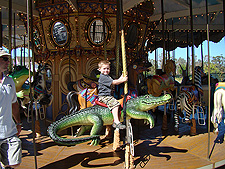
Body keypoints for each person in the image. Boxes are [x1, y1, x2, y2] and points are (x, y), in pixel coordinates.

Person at [0, 48, 22, 169]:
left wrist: (18, 122)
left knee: (15, 162)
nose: (8, 62)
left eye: (8, 59)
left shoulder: (9, 81)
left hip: (9, 130)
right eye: (4, 59)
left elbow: (14, 103)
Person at [98, 60, 128, 130]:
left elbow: (116, 80)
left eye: (108, 68)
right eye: (104, 68)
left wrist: (122, 75)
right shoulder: (103, 77)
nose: (106, 70)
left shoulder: (107, 76)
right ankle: (116, 122)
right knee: (116, 104)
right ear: (99, 69)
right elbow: (115, 82)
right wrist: (123, 80)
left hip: (108, 96)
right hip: (104, 96)